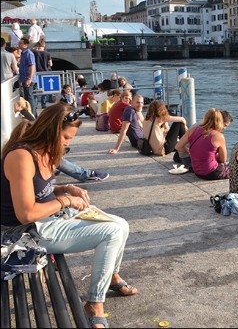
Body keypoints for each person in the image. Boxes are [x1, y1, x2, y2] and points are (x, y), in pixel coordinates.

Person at [1, 103, 138, 329]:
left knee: (121, 224)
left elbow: (38, 191)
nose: (67, 143)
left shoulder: (44, 153)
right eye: (66, 137)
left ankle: (112, 275)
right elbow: (25, 213)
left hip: (45, 222)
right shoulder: (21, 157)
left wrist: (65, 189)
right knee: (112, 232)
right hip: (23, 234)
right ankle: (94, 303)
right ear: (51, 131)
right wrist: (65, 201)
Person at [174, 108, 228, 179]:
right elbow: (223, 160)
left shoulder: (193, 130)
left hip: (197, 171)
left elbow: (178, 146)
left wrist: (188, 153)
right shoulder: (218, 136)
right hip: (211, 172)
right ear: (220, 121)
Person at [17, 37, 37, 117]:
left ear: (25, 45)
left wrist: (29, 78)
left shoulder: (29, 53)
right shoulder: (23, 53)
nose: (19, 44)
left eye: (21, 43)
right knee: (27, 96)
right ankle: (30, 112)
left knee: (29, 96)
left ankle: (32, 113)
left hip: (28, 79)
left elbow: (32, 66)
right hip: (24, 78)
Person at [32, 38, 53, 109]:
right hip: (45, 72)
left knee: (34, 89)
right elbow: (50, 64)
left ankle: (35, 104)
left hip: (36, 72)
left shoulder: (34, 53)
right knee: (45, 89)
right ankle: (43, 104)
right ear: (44, 46)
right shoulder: (47, 53)